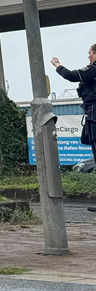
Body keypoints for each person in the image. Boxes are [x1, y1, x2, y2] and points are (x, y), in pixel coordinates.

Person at [51, 44, 96, 212]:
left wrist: (57, 64)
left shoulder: (93, 69)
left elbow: (71, 76)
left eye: (90, 53)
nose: (88, 57)